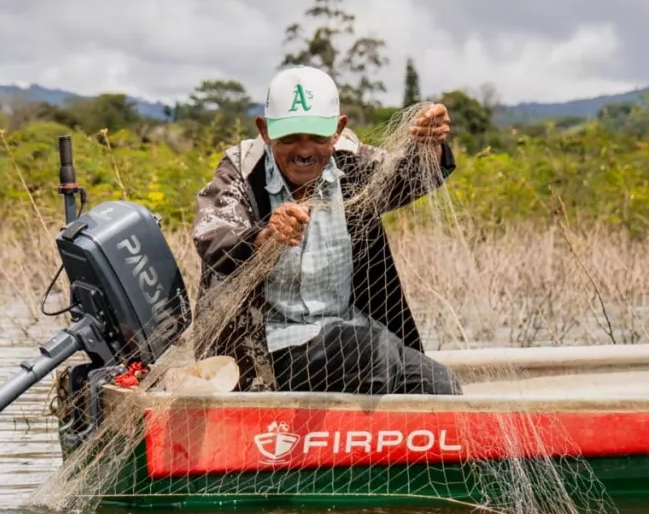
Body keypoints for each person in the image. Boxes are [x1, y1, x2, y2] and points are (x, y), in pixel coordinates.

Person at [191, 65, 462, 395]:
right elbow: (213, 234)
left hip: (347, 335)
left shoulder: (351, 164)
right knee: (374, 356)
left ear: (337, 130)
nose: (304, 151)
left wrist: (430, 145)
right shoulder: (242, 169)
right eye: (289, 137)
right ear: (265, 131)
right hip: (265, 349)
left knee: (440, 385)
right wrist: (263, 237)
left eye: (317, 137)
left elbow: (409, 177)